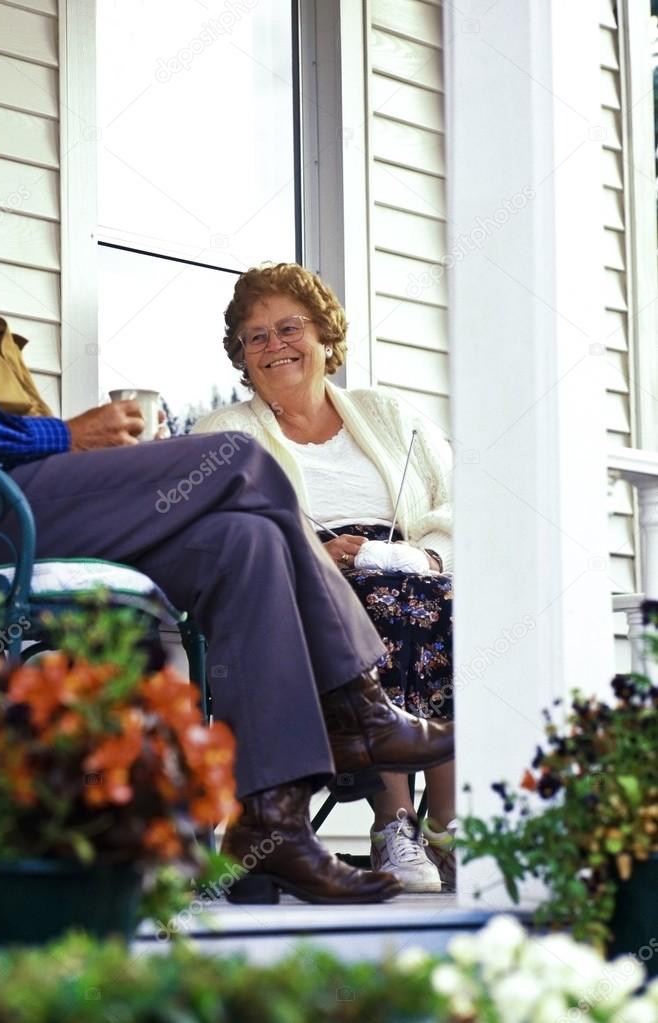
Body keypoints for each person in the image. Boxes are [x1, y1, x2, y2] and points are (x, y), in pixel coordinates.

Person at [0, 84, 454, 905]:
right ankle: (358, 705)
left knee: (245, 543)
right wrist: (66, 437)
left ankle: (272, 823)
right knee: (236, 458)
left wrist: (79, 449)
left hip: (4, 506)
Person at [192, 263, 456, 893]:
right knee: (383, 603)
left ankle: (447, 823)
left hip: (410, 562)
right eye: (255, 337)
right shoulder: (223, 433)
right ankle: (394, 822)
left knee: (452, 604)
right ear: (241, 356)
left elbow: (456, 502)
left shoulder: (388, 414)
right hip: (306, 582)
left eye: (289, 328)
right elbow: (222, 530)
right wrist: (317, 555)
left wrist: (421, 556)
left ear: (326, 340)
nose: (274, 345)